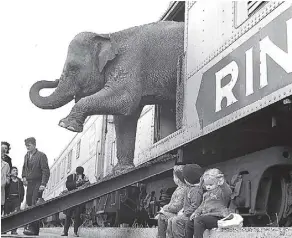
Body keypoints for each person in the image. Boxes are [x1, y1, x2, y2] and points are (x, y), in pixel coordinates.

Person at [185, 168, 232, 238]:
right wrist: (196, 213)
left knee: (199, 220)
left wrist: (223, 184)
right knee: (189, 222)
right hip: (207, 216)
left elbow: (228, 192)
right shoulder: (206, 195)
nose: (208, 187)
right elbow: (201, 206)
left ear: (217, 182)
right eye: (207, 185)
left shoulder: (221, 192)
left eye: (211, 184)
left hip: (219, 217)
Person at [22, 137, 50, 236]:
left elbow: (45, 171)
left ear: (34, 145)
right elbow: (24, 168)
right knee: (29, 202)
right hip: (30, 183)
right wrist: (24, 177)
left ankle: (33, 228)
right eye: (26, 146)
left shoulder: (41, 156)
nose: (27, 147)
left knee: (35, 203)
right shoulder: (26, 156)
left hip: (38, 182)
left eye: (29, 145)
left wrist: (43, 184)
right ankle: (33, 229)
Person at [168, 164, 204, 238]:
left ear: (188, 179)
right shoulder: (190, 188)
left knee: (176, 220)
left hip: (191, 216)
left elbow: (195, 206)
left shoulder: (196, 191)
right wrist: (182, 210)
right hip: (187, 214)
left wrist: (184, 213)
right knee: (171, 220)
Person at [156, 165, 187, 238]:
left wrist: (164, 208)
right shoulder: (181, 188)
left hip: (179, 215)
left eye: (174, 176)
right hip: (178, 214)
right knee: (162, 215)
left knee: (162, 216)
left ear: (177, 179)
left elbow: (177, 207)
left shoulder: (182, 190)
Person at [61, 166, 89, 237]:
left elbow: (88, 186)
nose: (79, 175)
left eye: (80, 174)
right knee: (68, 216)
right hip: (70, 199)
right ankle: (65, 232)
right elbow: (68, 185)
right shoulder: (70, 177)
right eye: (78, 174)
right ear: (76, 172)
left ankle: (75, 232)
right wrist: (76, 183)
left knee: (77, 216)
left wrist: (85, 182)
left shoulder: (84, 177)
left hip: (78, 199)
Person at [4, 167, 25, 235]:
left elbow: (22, 191)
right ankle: (5, 229)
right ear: (10, 173)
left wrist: (20, 199)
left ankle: (14, 230)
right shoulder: (8, 181)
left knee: (15, 215)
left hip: (16, 199)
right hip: (8, 199)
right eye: (14, 170)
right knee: (6, 215)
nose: (15, 172)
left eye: (16, 170)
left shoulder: (19, 181)